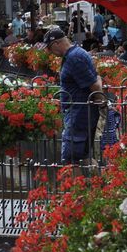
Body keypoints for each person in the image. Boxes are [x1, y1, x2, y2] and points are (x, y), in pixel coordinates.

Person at [45, 27, 103, 164]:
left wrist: (101, 102)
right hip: (80, 113)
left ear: (56, 44)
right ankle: (95, 184)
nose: (50, 53)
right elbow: (97, 79)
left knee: (70, 159)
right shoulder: (77, 53)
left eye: (50, 48)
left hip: (79, 114)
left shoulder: (74, 58)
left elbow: (94, 84)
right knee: (83, 156)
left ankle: (76, 185)